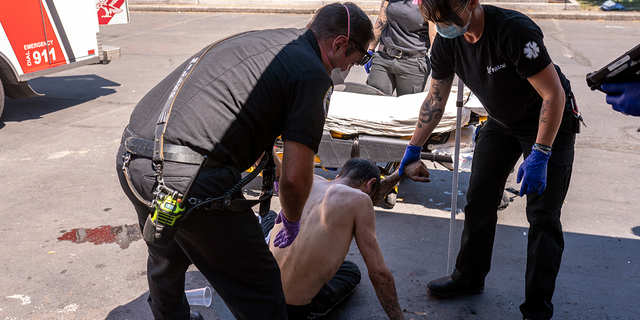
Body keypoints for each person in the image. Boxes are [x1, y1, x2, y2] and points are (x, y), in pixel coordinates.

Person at [115, 3, 374, 319]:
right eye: (354, 61)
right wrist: (292, 222)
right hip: (190, 181)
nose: (346, 70)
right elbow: (295, 179)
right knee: (263, 292)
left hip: (135, 162)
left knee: (166, 254)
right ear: (339, 44)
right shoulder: (312, 74)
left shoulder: (265, 40)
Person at [398, 0, 578, 319]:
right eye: (436, 21)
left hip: (548, 119)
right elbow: (436, 98)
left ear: (472, 3)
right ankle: (468, 278)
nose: (444, 27)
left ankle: (537, 309)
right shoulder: (448, 40)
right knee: (479, 198)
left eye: (449, 18)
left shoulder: (512, 31)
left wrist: (541, 153)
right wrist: (413, 148)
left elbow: (554, 94)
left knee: (542, 215)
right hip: (501, 121)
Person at [267, 157, 430, 320]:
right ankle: (313, 310)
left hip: (260, 289)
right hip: (292, 310)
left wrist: (398, 175)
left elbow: (367, 195)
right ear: (370, 184)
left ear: (339, 176)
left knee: (270, 220)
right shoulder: (359, 200)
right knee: (351, 272)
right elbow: (379, 273)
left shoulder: (311, 180)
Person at [364, 0, 437, 96]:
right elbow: (381, 20)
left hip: (413, 63)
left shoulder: (430, 2)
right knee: (376, 103)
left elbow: (433, 35)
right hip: (384, 58)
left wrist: (438, 61)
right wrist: (370, 49)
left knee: (406, 108)